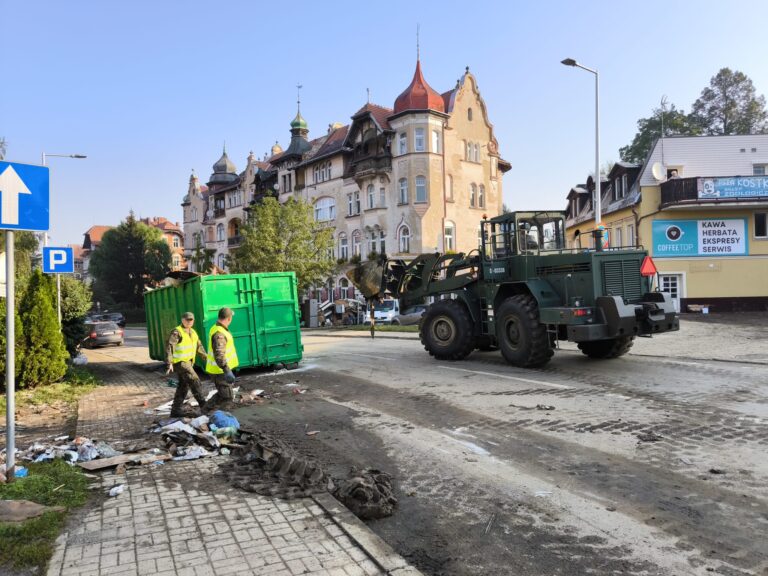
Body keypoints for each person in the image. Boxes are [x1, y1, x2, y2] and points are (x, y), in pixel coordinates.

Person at [165, 312, 208, 417]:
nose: (189, 322)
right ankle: (205, 407)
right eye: (187, 320)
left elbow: (199, 346)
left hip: (188, 362)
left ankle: (175, 410)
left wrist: (207, 357)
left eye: (191, 320)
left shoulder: (193, 332)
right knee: (195, 381)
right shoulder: (177, 332)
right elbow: (170, 346)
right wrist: (169, 362)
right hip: (180, 363)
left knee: (183, 386)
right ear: (182, 320)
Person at [204, 307, 238, 411]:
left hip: (219, 370)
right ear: (229, 318)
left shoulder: (216, 328)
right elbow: (219, 355)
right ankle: (223, 419)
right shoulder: (220, 333)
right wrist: (226, 370)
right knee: (227, 398)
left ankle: (204, 410)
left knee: (223, 394)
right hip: (220, 371)